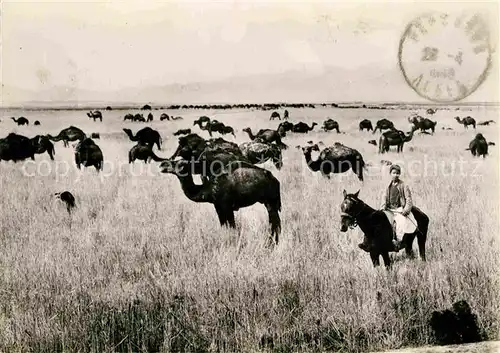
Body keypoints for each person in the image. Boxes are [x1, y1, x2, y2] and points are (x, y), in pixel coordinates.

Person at [358, 164, 416, 252]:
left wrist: (406, 210)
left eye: (397, 173)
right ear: (390, 173)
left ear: (399, 174)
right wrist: (382, 207)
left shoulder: (403, 185)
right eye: (393, 173)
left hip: (399, 209)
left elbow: (408, 199)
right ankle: (367, 242)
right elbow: (384, 198)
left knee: (400, 224)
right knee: (376, 221)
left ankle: (398, 242)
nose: (395, 175)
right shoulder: (387, 186)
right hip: (389, 209)